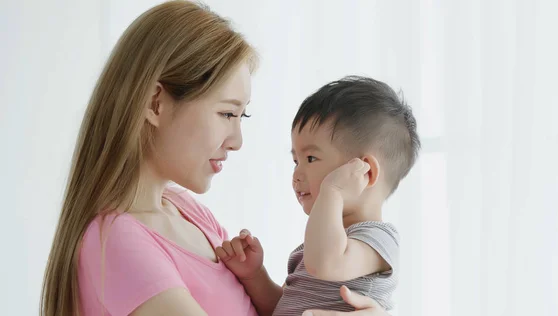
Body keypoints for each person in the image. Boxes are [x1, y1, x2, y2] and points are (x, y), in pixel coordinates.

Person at [40, 1, 388, 315]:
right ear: (155, 104)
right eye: (226, 114)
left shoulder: (189, 213)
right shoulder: (117, 242)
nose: (236, 141)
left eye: (242, 117)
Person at [216, 76, 420, 315]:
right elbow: (283, 307)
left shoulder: (378, 239)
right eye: (295, 161)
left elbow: (326, 263)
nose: (296, 174)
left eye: (311, 158)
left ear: (365, 172)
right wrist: (254, 275)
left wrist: (332, 192)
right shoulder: (316, 246)